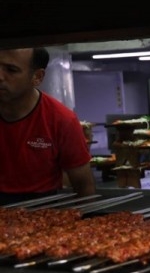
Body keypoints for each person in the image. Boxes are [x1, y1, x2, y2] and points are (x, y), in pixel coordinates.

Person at [0, 47, 96, 205]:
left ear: (37, 77)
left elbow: (84, 186)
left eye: (11, 70)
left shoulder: (61, 120)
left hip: (44, 209)